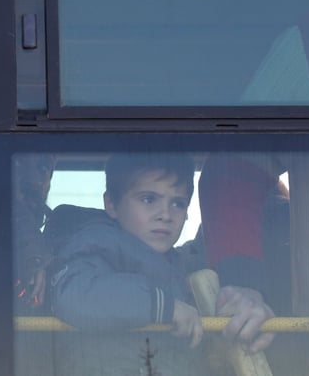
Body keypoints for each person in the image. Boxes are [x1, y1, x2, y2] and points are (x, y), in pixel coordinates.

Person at [48, 153, 209, 376]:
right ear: (112, 204)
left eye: (177, 204)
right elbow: (74, 294)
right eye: (148, 199)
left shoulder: (179, 264)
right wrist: (162, 306)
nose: (165, 214)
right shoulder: (95, 244)